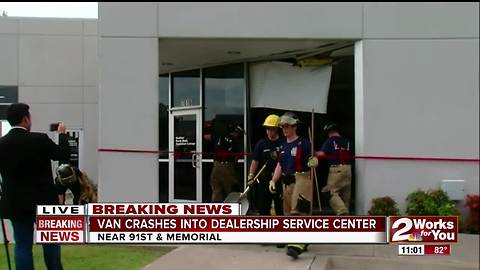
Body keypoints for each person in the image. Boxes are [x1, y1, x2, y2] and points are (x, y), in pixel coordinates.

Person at [0, 103, 69, 270]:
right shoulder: (40, 139)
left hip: (16, 202)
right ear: (25, 119)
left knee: (22, 245)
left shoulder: (2, 144)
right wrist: (62, 135)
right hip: (44, 200)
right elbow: (63, 155)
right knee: (51, 243)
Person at [269, 112, 312, 259]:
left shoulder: (305, 143)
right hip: (286, 182)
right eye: (282, 127)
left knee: (297, 211)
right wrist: (273, 180)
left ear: (294, 126)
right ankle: (302, 239)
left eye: (287, 126)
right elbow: (280, 165)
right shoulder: (282, 146)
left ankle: (297, 243)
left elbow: (313, 159)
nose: (284, 129)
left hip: (302, 178)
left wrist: (315, 161)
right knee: (288, 214)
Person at [308, 122, 352, 215]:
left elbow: (321, 154)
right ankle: (347, 219)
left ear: (329, 132)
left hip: (336, 170)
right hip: (348, 169)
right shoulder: (346, 141)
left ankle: (342, 212)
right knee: (345, 196)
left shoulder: (330, 140)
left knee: (329, 192)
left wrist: (313, 151)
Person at [248, 114, 283, 216]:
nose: (269, 131)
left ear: (277, 129)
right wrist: (251, 175)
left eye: (271, 128)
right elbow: (255, 161)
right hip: (264, 179)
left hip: (280, 180)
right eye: (267, 128)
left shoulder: (283, 143)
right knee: (263, 207)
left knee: (280, 207)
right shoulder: (261, 144)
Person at [210, 123, 243, 202]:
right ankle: (235, 209)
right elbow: (238, 156)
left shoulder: (220, 137)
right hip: (227, 166)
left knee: (217, 190)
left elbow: (207, 137)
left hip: (216, 166)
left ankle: (215, 210)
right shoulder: (235, 141)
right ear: (235, 132)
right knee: (232, 190)